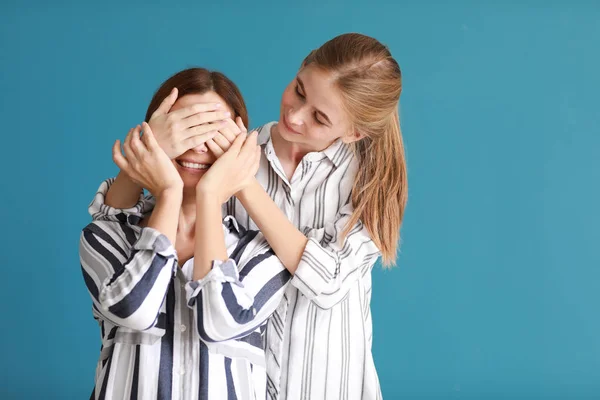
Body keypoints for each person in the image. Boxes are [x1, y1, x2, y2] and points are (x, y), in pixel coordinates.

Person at [101, 32, 407, 400]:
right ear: (300, 68)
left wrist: (243, 184)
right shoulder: (233, 148)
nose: (294, 116)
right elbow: (133, 224)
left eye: (320, 118)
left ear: (355, 132)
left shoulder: (372, 183)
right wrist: (150, 145)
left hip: (327, 384)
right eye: (299, 90)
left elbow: (328, 282)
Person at [79, 68, 291, 400]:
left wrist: (209, 195)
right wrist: (169, 192)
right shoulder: (106, 237)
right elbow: (135, 310)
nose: (195, 146)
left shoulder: (263, 254)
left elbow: (219, 323)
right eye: (185, 128)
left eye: (213, 131)